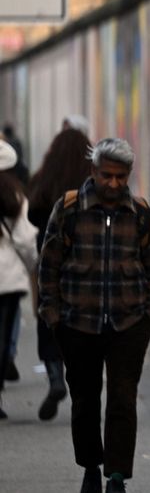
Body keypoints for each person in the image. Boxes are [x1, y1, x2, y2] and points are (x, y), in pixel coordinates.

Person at [38, 138, 150, 493]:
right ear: (94, 171)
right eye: (107, 175)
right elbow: (48, 265)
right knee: (84, 399)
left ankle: (116, 476)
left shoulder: (139, 212)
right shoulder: (69, 208)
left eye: (121, 177)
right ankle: (91, 467)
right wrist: (52, 314)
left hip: (129, 323)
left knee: (123, 399)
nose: (113, 184)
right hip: (77, 322)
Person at [26, 127, 93, 420]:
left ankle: (55, 377)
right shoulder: (91, 183)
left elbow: (30, 216)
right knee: (81, 322)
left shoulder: (43, 180)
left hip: (49, 260)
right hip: (84, 261)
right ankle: (82, 384)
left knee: (48, 318)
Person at [0, 140, 38, 419]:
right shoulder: (15, 197)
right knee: (3, 338)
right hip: (7, 279)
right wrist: (34, 266)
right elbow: (25, 240)